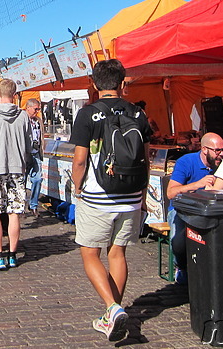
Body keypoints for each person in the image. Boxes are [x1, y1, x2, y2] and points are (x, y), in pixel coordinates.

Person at [69, 59, 152, 341]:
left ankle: (112, 308)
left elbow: (80, 159)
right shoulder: (138, 113)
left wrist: (76, 187)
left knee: (90, 253)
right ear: (122, 83)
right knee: (117, 253)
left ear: (94, 83)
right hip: (130, 195)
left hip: (98, 194)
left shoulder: (88, 114)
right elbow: (146, 158)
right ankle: (111, 314)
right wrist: (141, 194)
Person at [0, 79, 31, 270]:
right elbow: (28, 144)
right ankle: (12, 254)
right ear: (15, 94)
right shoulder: (24, 116)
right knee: (14, 213)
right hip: (17, 168)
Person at [165, 132, 223, 284]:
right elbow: (171, 193)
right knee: (178, 241)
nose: (221, 154)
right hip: (182, 210)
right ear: (205, 149)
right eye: (217, 150)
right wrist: (197, 185)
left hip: (209, 211)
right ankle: (182, 267)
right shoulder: (186, 162)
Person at [25, 98, 45, 218]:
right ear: (28, 107)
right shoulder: (22, 120)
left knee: (37, 179)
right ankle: (21, 204)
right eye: (35, 109)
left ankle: (33, 205)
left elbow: (41, 135)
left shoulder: (38, 121)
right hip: (25, 154)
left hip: (36, 153)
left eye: (38, 109)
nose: (37, 111)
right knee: (22, 180)